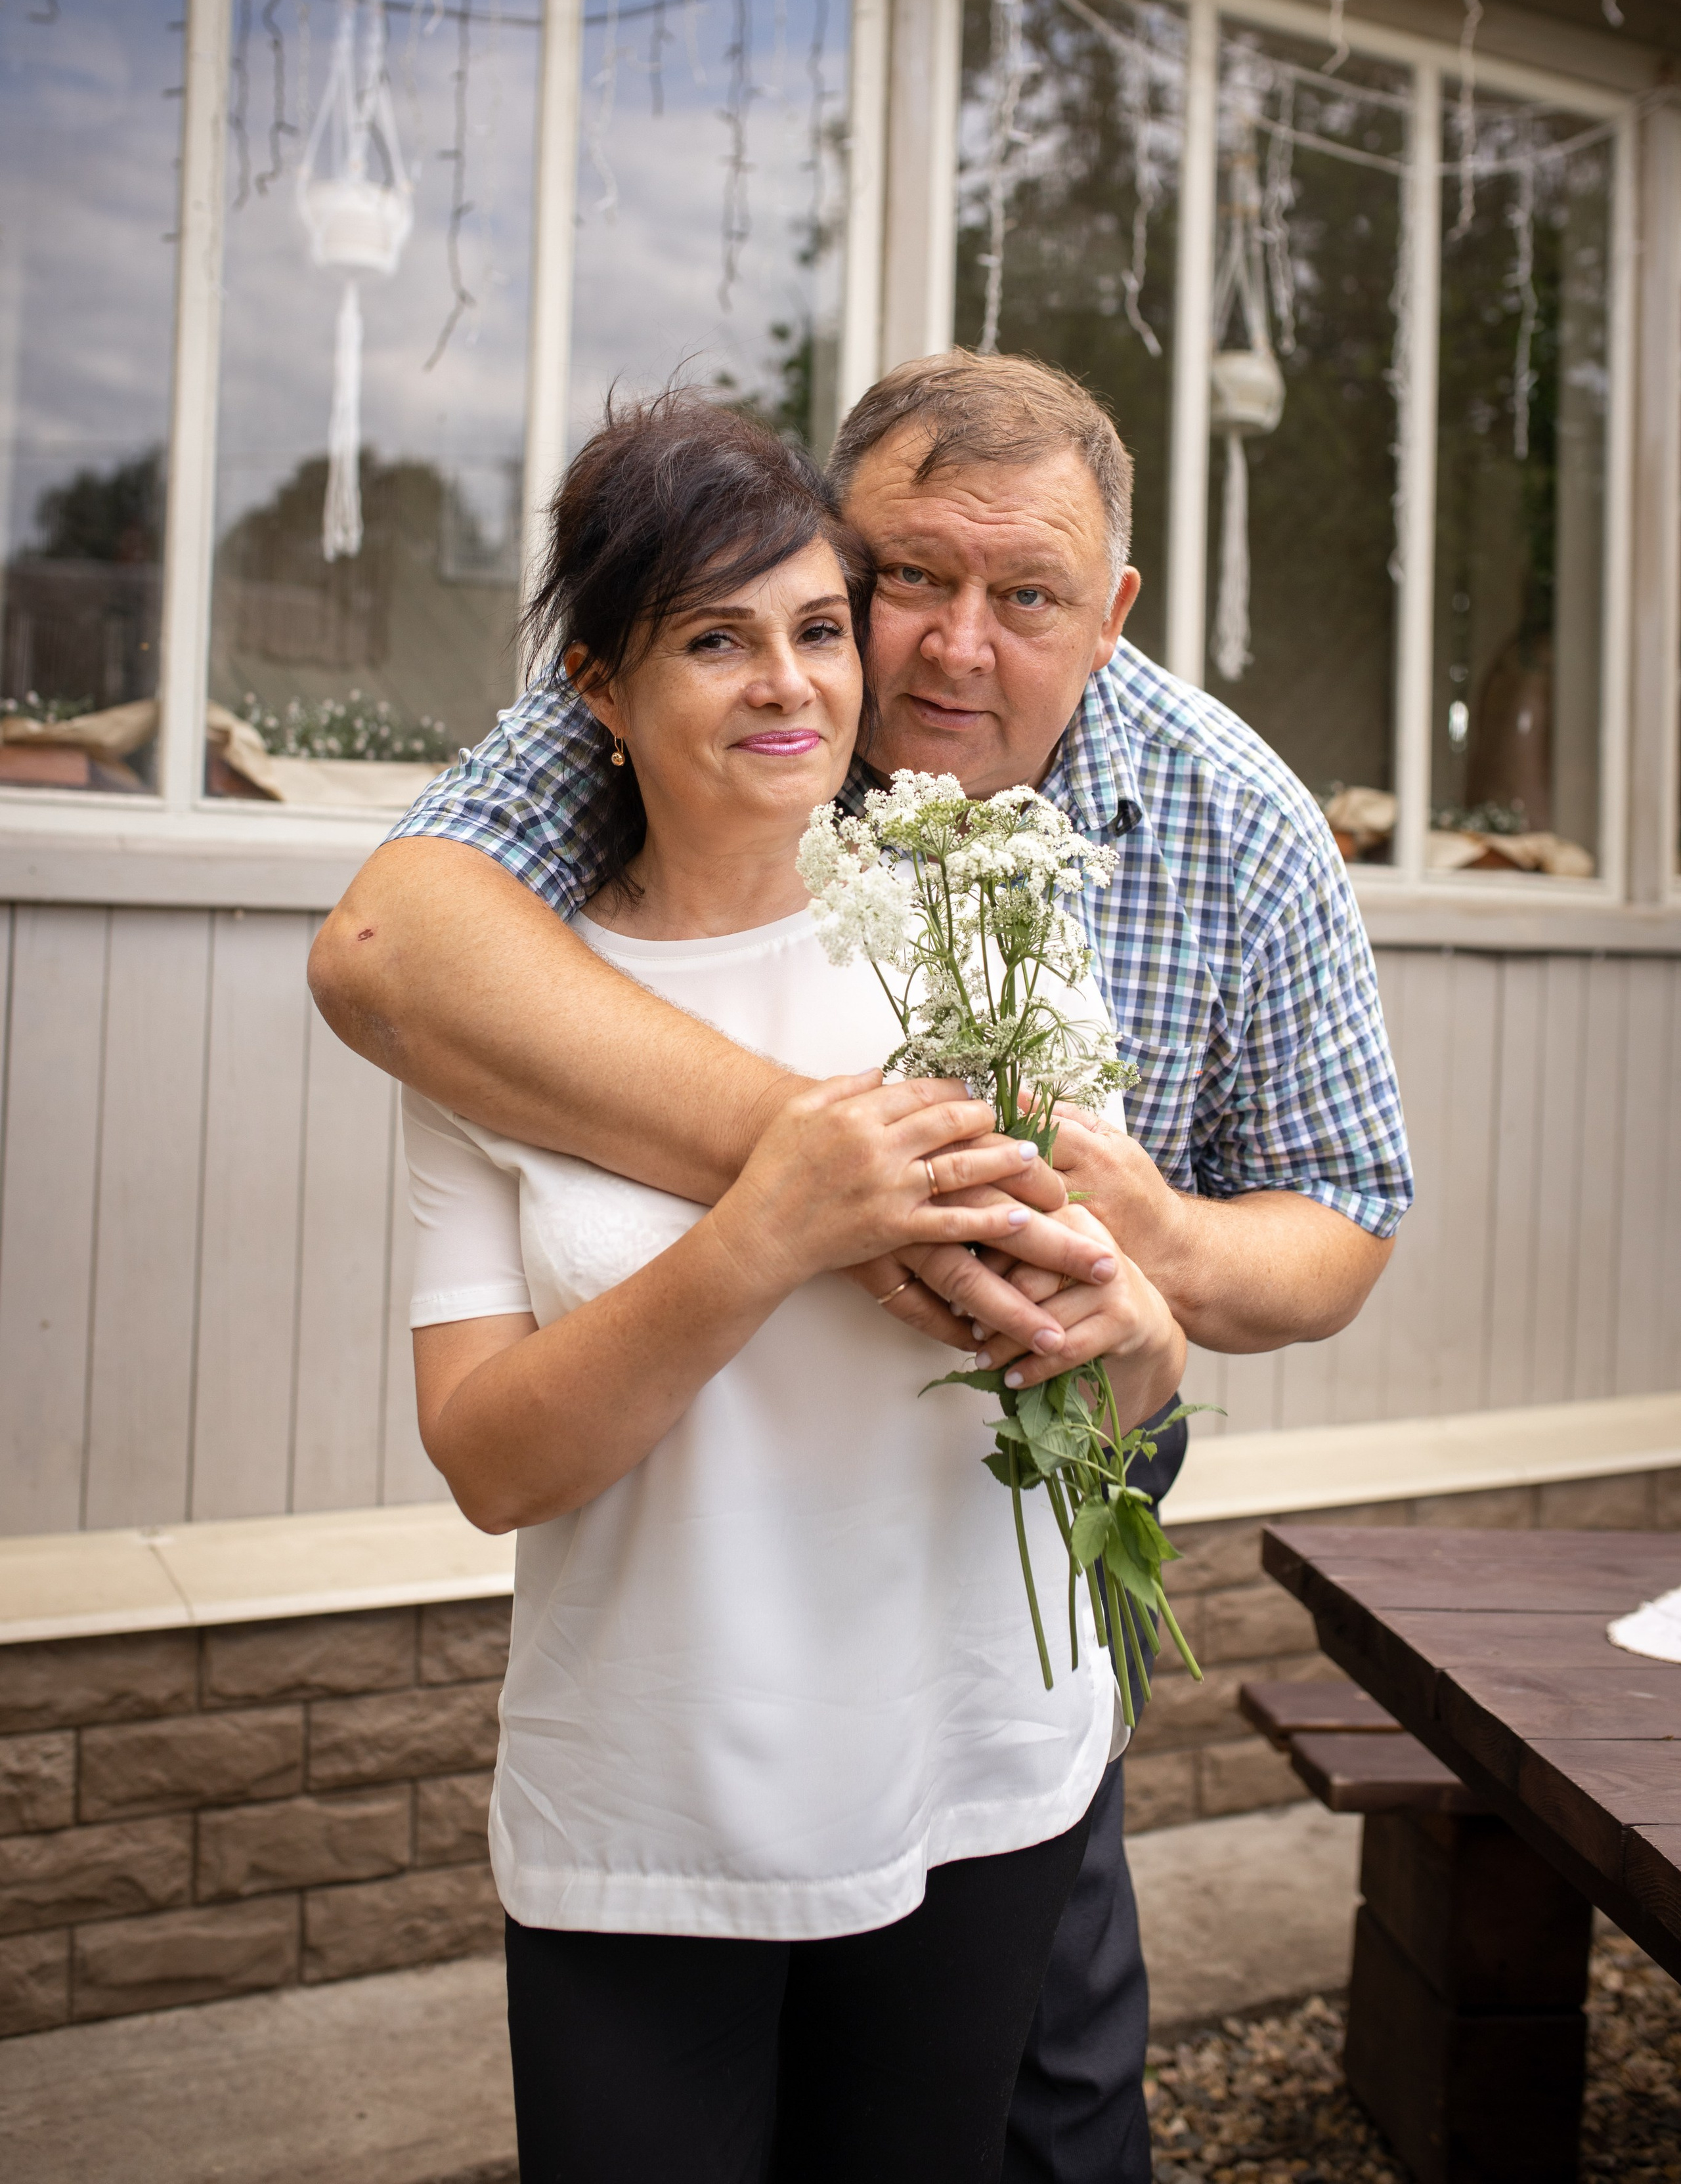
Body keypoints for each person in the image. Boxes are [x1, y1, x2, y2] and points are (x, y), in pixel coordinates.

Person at [311, 351, 1414, 2184]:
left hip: (1038, 1506)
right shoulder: (680, 699)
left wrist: (1150, 1255)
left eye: (1031, 597)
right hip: (688, 1647)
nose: (945, 651)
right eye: (908, 580)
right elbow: (389, 954)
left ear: (1113, 610)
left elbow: (1341, 1223)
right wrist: (833, 1183)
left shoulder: (1225, 826)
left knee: (1052, 2066)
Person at [401, 393, 1187, 2184]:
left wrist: (1140, 1344)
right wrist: (767, 1224)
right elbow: (491, 1466)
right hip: (646, 1814)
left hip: (968, 1785)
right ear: (598, 686)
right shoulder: (515, 1009)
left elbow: (1099, 1388)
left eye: (821, 629)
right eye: (714, 639)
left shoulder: (985, 937)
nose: (790, 684)